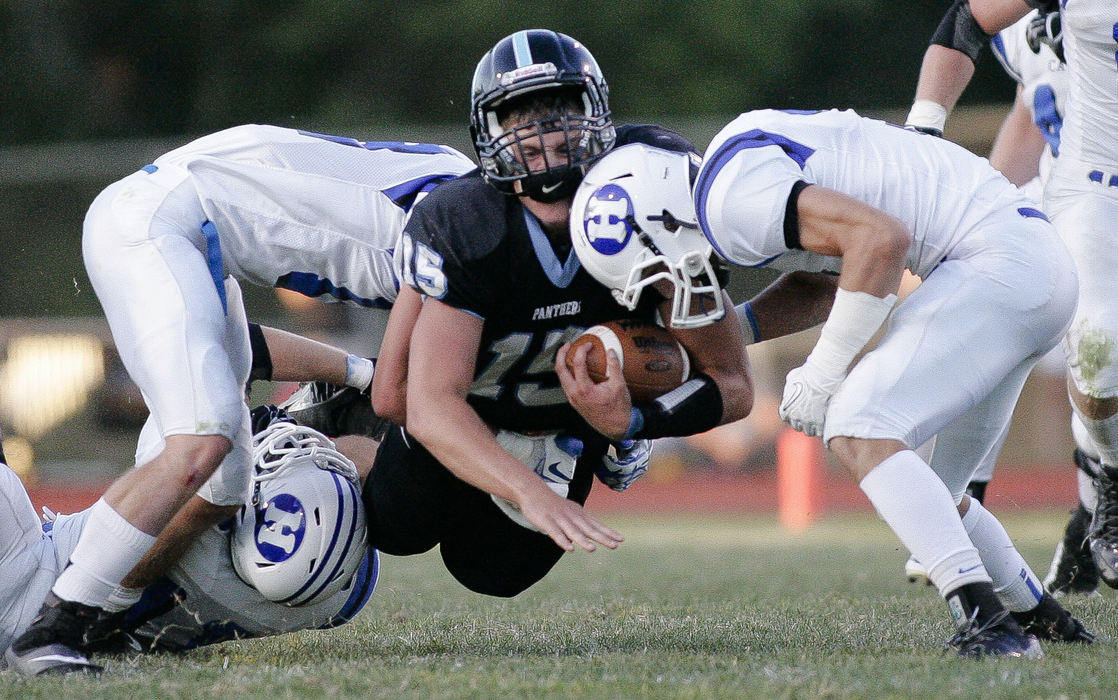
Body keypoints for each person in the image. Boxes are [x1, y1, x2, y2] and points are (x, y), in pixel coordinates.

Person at [567, 110, 1093, 657]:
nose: (665, 295)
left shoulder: (727, 203)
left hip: (998, 267)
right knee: (938, 495)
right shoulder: (734, 171)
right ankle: (1047, 620)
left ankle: (991, 628)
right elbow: (823, 287)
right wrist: (731, 335)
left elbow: (881, 241)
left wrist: (822, 374)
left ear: (661, 221)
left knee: (860, 426)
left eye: (652, 274)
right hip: (1030, 263)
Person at [5, 124, 475, 676]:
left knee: (209, 449)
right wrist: (363, 373)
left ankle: (54, 631)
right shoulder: (335, 577)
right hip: (43, 556)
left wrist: (83, 612)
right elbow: (237, 346)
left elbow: (199, 507)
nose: (306, 426)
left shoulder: (307, 518)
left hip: (37, 582)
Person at [362, 29, 751, 598]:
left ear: (597, 116)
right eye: (523, 124)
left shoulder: (649, 192)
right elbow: (421, 403)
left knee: (493, 573)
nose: (545, 140)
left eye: (559, 117)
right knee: (396, 528)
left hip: (569, 425)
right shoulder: (469, 224)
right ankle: (333, 422)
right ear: (487, 134)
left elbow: (733, 384)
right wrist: (530, 491)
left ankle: (600, 447)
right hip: (474, 410)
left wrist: (632, 422)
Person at [903, 0, 1118, 591]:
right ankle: (957, 504)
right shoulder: (1026, 27)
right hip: (1086, 192)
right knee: (1032, 325)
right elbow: (1028, 100)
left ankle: (1086, 508)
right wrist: (974, 200)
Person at [2, 409, 379, 673]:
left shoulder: (204, 504)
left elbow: (234, 344)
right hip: (57, 601)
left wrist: (356, 372)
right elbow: (333, 524)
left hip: (33, 580)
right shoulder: (342, 597)